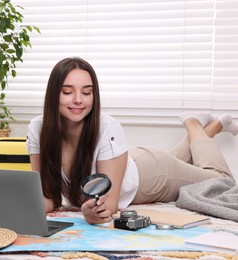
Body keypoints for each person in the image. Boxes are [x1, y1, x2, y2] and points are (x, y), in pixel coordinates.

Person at [26, 57, 238, 225]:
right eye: (67, 92)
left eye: (87, 92)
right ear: (54, 94)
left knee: (221, 181)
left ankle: (199, 124)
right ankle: (203, 129)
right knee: (179, 163)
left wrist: (92, 213)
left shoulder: (107, 127)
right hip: (125, 160)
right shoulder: (38, 128)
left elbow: (109, 205)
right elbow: (47, 196)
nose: (78, 100)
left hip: (153, 175)